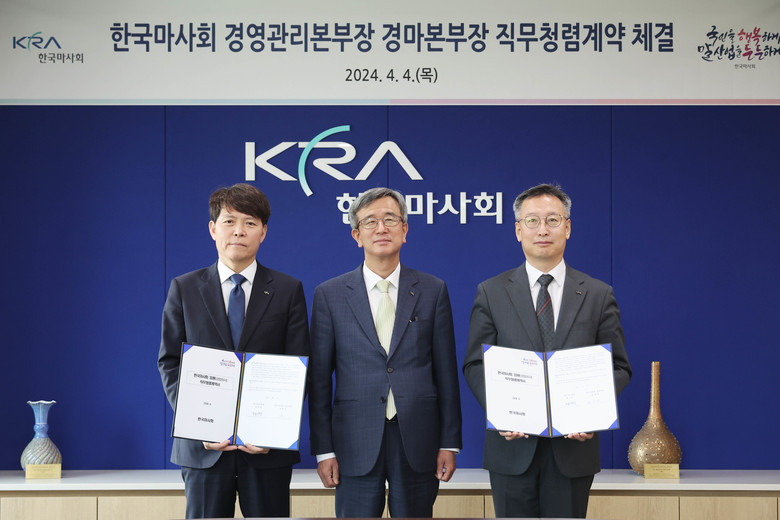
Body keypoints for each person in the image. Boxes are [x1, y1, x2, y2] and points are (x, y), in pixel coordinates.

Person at [463, 183, 631, 519]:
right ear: (518, 230)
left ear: (567, 228)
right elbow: (475, 364)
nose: (542, 230)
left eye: (553, 220)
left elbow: (619, 366)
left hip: (573, 450)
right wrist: (502, 410)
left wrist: (591, 412)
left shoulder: (598, 294)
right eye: (532, 221)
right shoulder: (492, 292)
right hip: (511, 449)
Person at [158, 183, 310, 519]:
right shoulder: (184, 288)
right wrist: (199, 425)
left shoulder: (288, 290)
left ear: (263, 232)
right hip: (203, 450)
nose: (239, 231)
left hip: (267, 451)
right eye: (229, 221)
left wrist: (271, 429)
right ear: (213, 229)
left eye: (250, 223)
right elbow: (170, 362)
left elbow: (299, 366)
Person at [308, 187, 462, 518]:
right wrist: (324, 450)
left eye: (390, 219)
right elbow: (319, 381)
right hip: (354, 441)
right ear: (356, 235)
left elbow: (446, 373)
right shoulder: (330, 295)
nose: (381, 228)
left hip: (418, 439)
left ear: (405, 230)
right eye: (370, 221)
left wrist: (449, 442)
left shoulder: (433, 290)